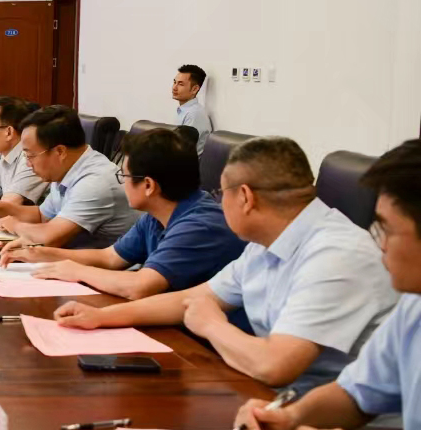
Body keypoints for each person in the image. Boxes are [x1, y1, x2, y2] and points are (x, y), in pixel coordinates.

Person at [54, 136, 398, 391]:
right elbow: (192, 299)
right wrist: (100, 317)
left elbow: (274, 365)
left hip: (346, 427)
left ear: (245, 197)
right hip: (276, 399)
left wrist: (211, 324)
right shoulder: (266, 243)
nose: (217, 203)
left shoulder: (335, 256)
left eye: (221, 194)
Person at [234, 140, 421, 430]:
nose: (379, 245)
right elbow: (355, 394)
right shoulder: (413, 307)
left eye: (386, 229)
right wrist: (291, 418)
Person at [1, 128, 246, 300]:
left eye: (124, 176)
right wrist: (43, 253)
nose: (122, 183)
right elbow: (110, 258)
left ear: (148, 185)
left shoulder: (199, 224)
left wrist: (76, 270)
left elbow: (140, 286)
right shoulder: (156, 214)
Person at [0, 105, 137, 249]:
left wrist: (16, 225)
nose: (28, 164)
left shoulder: (95, 182)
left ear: (59, 151)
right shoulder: (67, 168)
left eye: (30, 155)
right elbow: (43, 215)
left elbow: (50, 237)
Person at [173, 64, 212, 154]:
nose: (174, 87)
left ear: (194, 89)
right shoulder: (185, 111)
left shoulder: (194, 114)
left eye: (180, 84)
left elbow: (182, 151)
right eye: (175, 82)